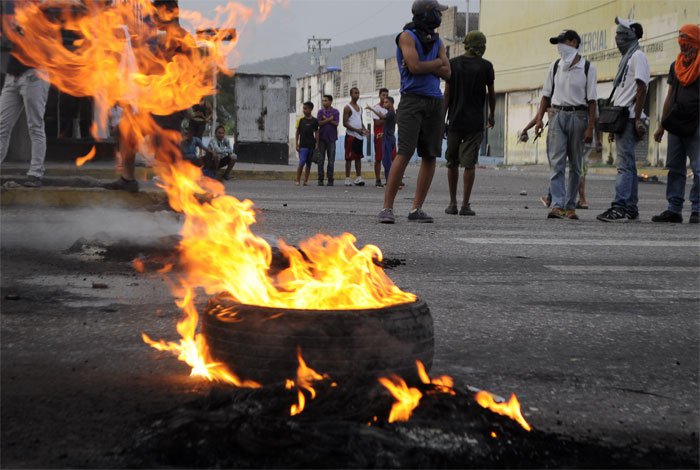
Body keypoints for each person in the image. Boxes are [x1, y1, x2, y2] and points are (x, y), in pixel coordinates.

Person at [377, 0, 450, 224]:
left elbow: (448, 72)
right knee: (405, 152)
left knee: (430, 155)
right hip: (412, 101)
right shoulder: (406, 36)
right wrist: (436, 63)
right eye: (437, 11)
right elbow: (415, 67)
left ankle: (416, 209)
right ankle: (387, 208)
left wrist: (430, 64)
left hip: (434, 102)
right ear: (428, 14)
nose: (440, 15)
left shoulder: (437, 41)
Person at [533, 29, 597, 220]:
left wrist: (590, 127)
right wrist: (538, 120)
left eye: (563, 42)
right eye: (557, 43)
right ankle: (557, 205)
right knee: (556, 162)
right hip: (557, 116)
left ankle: (570, 206)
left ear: (575, 42)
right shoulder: (554, 66)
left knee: (576, 165)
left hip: (579, 117)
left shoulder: (587, 68)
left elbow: (593, 100)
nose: (560, 47)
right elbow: (546, 95)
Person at [597, 17, 650, 222]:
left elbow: (642, 87)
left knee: (624, 166)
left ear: (633, 34)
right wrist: (613, 126)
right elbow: (623, 92)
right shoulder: (627, 58)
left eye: (621, 33)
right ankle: (630, 208)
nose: (617, 37)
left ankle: (619, 207)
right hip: (623, 118)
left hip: (630, 118)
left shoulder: (638, 56)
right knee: (629, 165)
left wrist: (637, 119)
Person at [651, 24, 700, 224]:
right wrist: (662, 125)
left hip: (696, 122)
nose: (683, 46)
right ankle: (674, 208)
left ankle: (697, 209)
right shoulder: (676, 66)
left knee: (698, 168)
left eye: (687, 41)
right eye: (681, 42)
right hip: (676, 121)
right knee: (675, 168)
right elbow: (669, 96)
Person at [443, 30, 495, 217]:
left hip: (455, 121)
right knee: (469, 164)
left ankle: (452, 203)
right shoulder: (486, 66)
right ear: (481, 45)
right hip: (475, 122)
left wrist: (443, 119)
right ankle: (465, 205)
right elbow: (491, 93)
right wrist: (492, 114)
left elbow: (447, 94)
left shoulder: (453, 64)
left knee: (452, 162)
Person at [0, 1, 50, 188]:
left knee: (35, 126)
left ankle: (36, 173)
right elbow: (8, 32)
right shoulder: (11, 6)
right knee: (2, 126)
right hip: (13, 75)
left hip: (35, 74)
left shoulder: (42, 9)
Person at [343, 87, 368, 186]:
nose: (357, 95)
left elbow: (360, 121)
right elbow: (345, 123)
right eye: (355, 93)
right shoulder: (347, 107)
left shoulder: (360, 108)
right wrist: (356, 130)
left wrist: (364, 129)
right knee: (348, 158)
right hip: (351, 136)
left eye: (358, 93)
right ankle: (347, 178)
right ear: (351, 94)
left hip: (359, 137)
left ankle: (358, 177)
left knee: (358, 157)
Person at [316, 94, 339, 186]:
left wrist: (325, 119)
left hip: (332, 139)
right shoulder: (320, 112)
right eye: (323, 100)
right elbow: (319, 123)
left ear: (330, 101)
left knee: (331, 160)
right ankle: (320, 179)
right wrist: (329, 119)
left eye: (325, 100)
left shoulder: (335, 111)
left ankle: (330, 179)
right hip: (322, 138)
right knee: (321, 160)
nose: (324, 102)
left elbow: (336, 123)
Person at [368, 88, 389, 187]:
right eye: (383, 95)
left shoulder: (389, 107)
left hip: (389, 134)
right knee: (379, 158)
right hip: (379, 135)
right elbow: (377, 122)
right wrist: (387, 119)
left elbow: (393, 119)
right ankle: (378, 179)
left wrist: (383, 118)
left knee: (391, 157)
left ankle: (390, 179)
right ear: (379, 96)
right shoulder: (376, 108)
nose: (385, 97)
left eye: (386, 95)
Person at [295, 101, 319, 186]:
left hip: (311, 145)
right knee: (302, 162)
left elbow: (316, 133)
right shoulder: (300, 120)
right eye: (303, 109)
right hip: (303, 145)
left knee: (309, 163)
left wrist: (317, 144)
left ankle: (305, 180)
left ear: (310, 109)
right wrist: (296, 144)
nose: (304, 110)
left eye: (306, 109)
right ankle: (297, 180)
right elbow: (297, 132)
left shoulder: (315, 121)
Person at [379, 96, 396, 185]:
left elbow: (382, 117)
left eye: (386, 102)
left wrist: (371, 109)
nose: (384, 104)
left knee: (387, 162)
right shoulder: (391, 113)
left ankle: (390, 181)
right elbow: (389, 128)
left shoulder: (390, 113)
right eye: (384, 102)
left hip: (388, 140)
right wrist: (382, 134)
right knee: (387, 161)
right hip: (388, 138)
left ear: (391, 103)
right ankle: (389, 181)